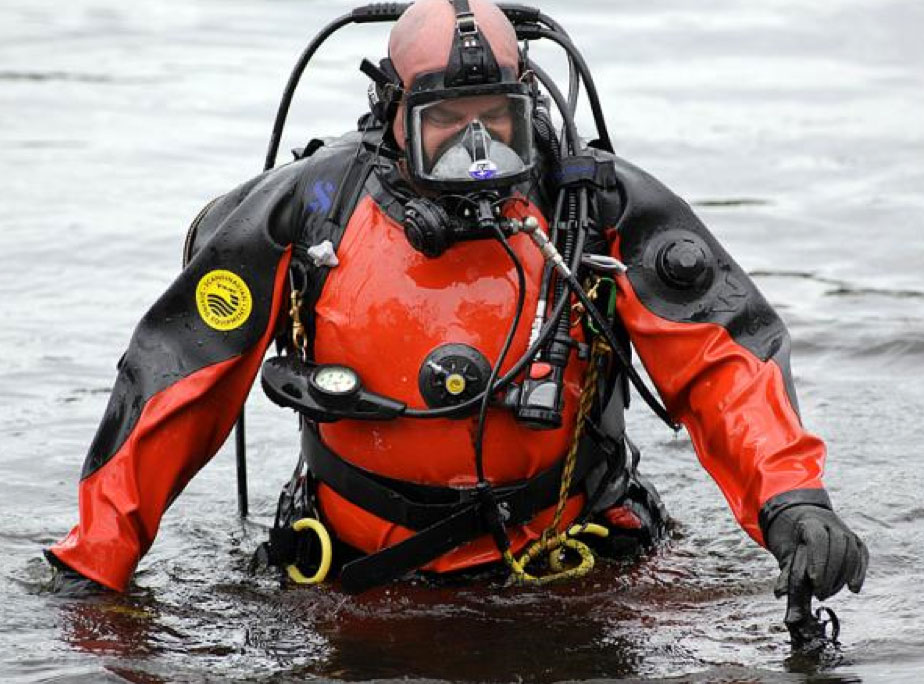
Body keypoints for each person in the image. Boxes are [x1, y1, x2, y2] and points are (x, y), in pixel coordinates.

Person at [46, 0, 866, 637]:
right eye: (447, 126)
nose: (478, 151)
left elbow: (724, 361)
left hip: (573, 566)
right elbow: (179, 379)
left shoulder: (592, 205)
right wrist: (95, 571)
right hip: (360, 577)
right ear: (392, 113)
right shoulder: (309, 210)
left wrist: (793, 504)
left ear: (527, 109)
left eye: (497, 124)